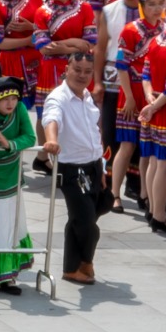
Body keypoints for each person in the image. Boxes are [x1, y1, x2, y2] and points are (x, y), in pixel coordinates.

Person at [41, 45, 106, 284]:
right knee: (87, 223)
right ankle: (82, 263)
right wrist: (51, 140)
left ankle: (75, 266)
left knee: (84, 217)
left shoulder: (88, 96)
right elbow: (51, 118)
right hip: (71, 168)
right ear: (66, 69)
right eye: (77, 70)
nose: (82, 75)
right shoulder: (58, 97)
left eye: (87, 71)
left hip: (94, 165)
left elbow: (94, 133)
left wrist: (103, 167)